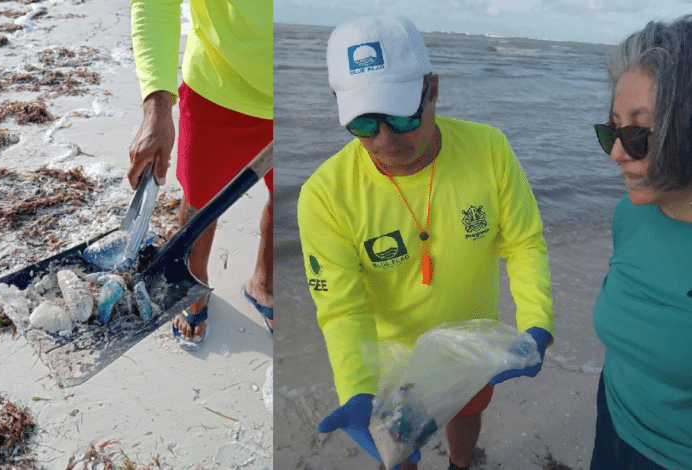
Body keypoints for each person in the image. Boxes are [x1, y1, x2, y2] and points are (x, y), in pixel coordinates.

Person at [297, 17, 555, 470]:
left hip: (471, 347)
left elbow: (523, 243)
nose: (385, 139)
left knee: (467, 412)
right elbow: (341, 307)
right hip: (392, 358)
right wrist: (357, 388)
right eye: (363, 122)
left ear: (433, 88)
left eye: (401, 116)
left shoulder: (489, 150)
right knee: (396, 452)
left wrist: (536, 322)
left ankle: (460, 463)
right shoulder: (325, 195)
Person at [127, 0, 273, 349]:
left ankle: (264, 284)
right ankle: (193, 286)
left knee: (290, 200)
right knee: (199, 204)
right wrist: (156, 108)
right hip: (218, 89)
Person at [589, 15, 692, 470]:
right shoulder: (629, 214)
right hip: (612, 421)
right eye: (612, 130)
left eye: (637, 134)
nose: (616, 153)